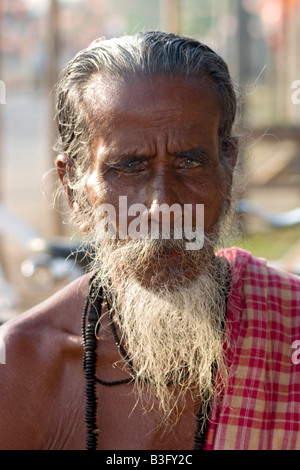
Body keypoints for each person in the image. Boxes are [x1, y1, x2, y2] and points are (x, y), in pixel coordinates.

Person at [0, 31, 300, 451]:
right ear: (73, 190)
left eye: (190, 162)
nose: (163, 206)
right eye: (128, 167)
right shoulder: (20, 369)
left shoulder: (290, 334)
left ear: (227, 167)